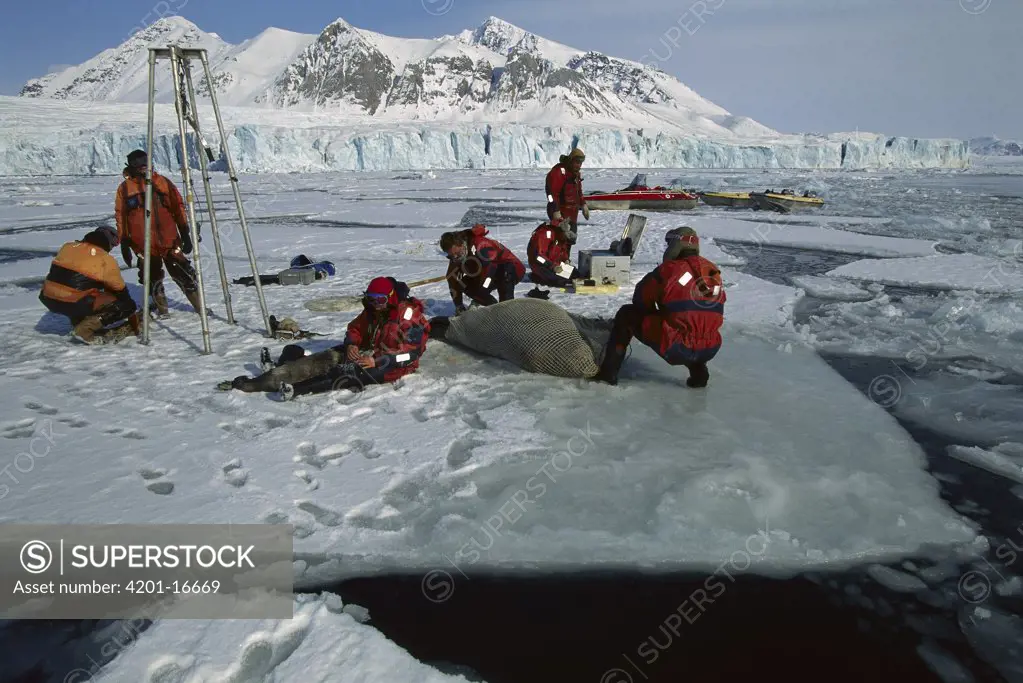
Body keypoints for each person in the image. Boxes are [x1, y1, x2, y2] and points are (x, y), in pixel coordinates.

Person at [220, 277, 431, 400]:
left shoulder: (409, 317)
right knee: (322, 360)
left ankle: (296, 390)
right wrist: (351, 345)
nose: (376, 303)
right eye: (371, 299)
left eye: (381, 299)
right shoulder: (372, 311)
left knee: (344, 373)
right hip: (365, 353)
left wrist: (378, 360)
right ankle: (259, 381)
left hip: (390, 366)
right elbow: (354, 329)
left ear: (392, 296)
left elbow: (411, 353)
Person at [593, 227, 725, 387]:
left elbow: (640, 299)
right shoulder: (713, 272)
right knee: (695, 326)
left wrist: (658, 311)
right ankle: (699, 375)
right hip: (711, 347)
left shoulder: (668, 270)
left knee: (627, 314)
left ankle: (608, 375)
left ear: (676, 245)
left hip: (677, 346)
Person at [114, 149, 202, 316]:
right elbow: (120, 216)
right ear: (130, 166)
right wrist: (124, 241)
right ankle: (163, 311)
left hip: (169, 241)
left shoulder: (162, 182)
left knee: (184, 274)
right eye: (136, 162)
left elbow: (178, 207)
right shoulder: (124, 189)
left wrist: (184, 232)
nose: (141, 166)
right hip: (143, 245)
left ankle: (199, 307)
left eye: (144, 161)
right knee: (152, 279)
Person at [39, 226, 140, 344]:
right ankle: (85, 330)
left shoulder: (67, 246)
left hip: (48, 298)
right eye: (112, 245)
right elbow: (119, 289)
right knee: (121, 304)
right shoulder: (105, 258)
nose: (111, 248)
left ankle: (78, 322)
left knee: (79, 290)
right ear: (108, 242)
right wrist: (130, 308)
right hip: (73, 302)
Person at [439, 224, 525, 313]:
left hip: (510, 268)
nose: (456, 257)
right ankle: (493, 308)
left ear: (462, 244)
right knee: (463, 283)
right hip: (483, 273)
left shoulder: (481, 245)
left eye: (458, 253)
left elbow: (490, 271)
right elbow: (452, 279)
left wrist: (481, 293)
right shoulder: (456, 257)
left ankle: (507, 311)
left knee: (504, 274)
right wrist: (459, 305)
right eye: (453, 256)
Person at [545, 147, 590, 253]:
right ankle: (554, 261)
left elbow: (579, 191)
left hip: (572, 213)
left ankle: (565, 260)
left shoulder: (575, 174)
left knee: (570, 238)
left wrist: (583, 204)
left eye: (580, 163)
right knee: (560, 238)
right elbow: (551, 194)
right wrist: (555, 210)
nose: (579, 165)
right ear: (571, 160)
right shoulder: (558, 172)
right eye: (577, 162)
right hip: (560, 212)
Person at [525, 218, 577, 298]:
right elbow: (538, 257)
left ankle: (546, 276)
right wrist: (553, 267)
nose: (566, 241)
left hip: (554, 264)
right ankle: (536, 276)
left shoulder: (562, 238)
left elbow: (562, 252)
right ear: (564, 231)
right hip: (540, 265)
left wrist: (566, 260)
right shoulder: (546, 234)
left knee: (575, 274)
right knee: (560, 280)